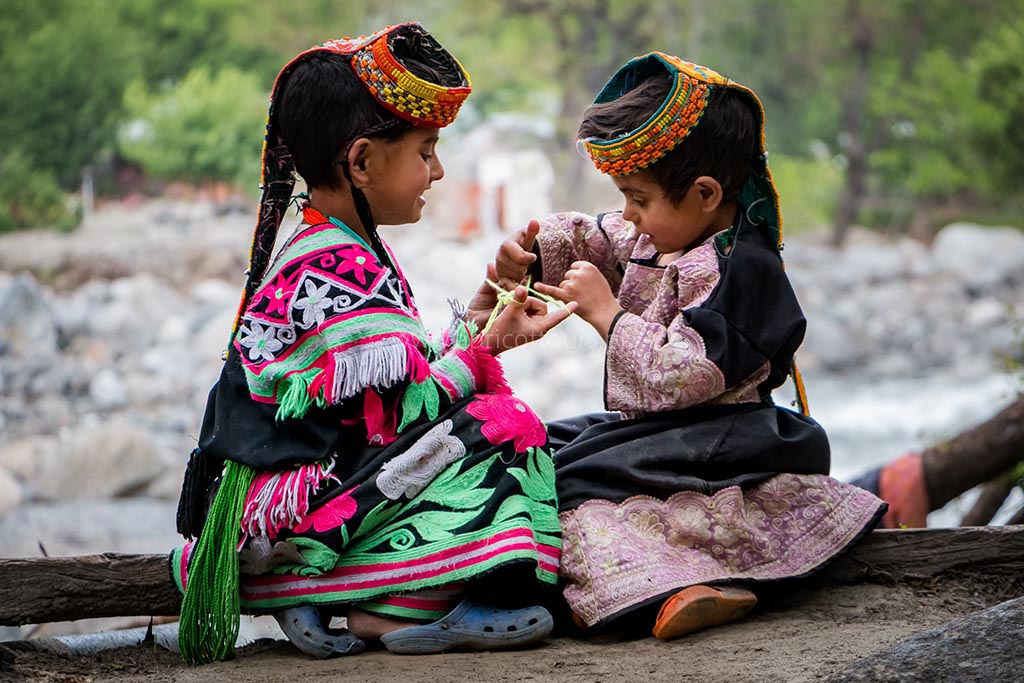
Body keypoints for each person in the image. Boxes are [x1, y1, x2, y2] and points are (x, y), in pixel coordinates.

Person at [172, 23, 575, 665]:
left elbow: (388, 392)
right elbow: (402, 416)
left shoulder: (328, 245)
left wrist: (477, 319)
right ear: (360, 161)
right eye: (425, 151)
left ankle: (363, 598)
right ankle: (328, 584)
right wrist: (484, 350)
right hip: (305, 498)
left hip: (311, 483)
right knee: (509, 426)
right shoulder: (336, 263)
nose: (437, 172)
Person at [496, 53, 887, 639]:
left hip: (723, 435)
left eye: (638, 198)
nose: (627, 215)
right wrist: (531, 247)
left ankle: (671, 586)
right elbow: (598, 237)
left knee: (575, 485)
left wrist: (610, 316)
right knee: (536, 445)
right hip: (664, 431)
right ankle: (625, 585)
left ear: (705, 193)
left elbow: (687, 374)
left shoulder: (744, 269)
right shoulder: (669, 231)